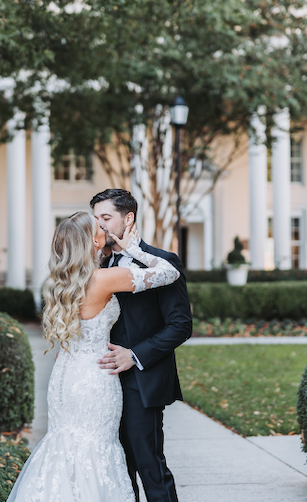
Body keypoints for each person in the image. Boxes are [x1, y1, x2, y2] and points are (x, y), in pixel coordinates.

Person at [6, 211, 180, 501]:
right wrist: (132, 249)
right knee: (96, 450)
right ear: (93, 241)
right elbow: (169, 272)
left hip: (65, 377)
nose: (104, 227)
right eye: (98, 226)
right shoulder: (104, 279)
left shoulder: (59, 281)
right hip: (94, 380)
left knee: (64, 448)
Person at [92, 188, 192, 502]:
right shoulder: (98, 265)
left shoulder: (164, 262)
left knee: (150, 466)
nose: (100, 226)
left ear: (129, 218)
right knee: (117, 472)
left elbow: (181, 325)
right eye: (96, 219)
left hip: (141, 382)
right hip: (101, 384)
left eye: (106, 218)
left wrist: (135, 355)